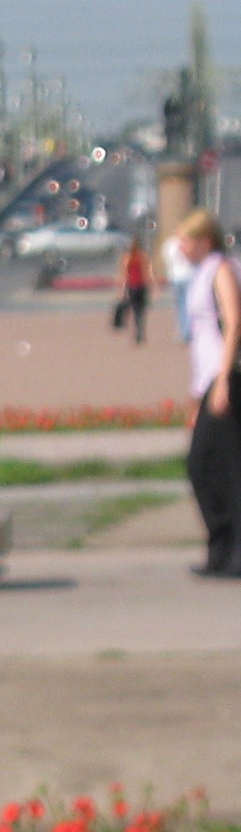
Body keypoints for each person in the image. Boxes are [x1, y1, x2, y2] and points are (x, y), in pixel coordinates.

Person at [173, 210, 241, 576]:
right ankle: (221, 551)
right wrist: (197, 393)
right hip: (208, 382)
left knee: (218, 466)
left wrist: (223, 380)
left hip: (224, 378)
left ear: (205, 241)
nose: (180, 247)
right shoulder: (200, 274)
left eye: (185, 240)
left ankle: (232, 553)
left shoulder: (221, 270)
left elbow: (234, 323)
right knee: (204, 467)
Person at [118, 236, 151, 344]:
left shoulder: (128, 258)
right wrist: (151, 286)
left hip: (132, 286)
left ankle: (137, 331)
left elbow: (124, 274)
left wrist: (122, 289)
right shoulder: (142, 257)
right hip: (141, 286)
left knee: (135, 309)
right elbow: (146, 273)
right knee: (141, 310)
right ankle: (140, 330)